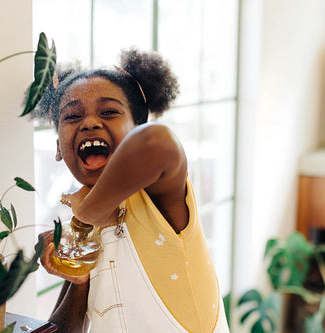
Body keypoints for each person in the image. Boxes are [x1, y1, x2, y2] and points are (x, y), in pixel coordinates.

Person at [36, 48, 229, 333]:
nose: (89, 122)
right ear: (57, 148)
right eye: (72, 116)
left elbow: (157, 143)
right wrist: (79, 281)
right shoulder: (80, 234)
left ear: (138, 128)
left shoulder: (156, 196)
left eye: (109, 112)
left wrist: (88, 212)